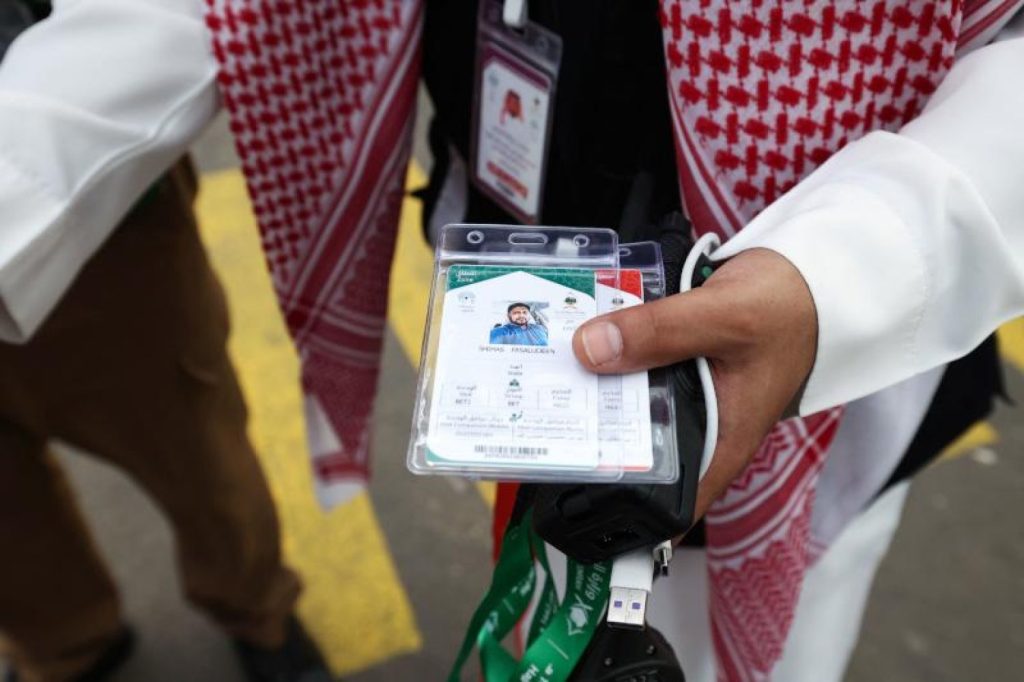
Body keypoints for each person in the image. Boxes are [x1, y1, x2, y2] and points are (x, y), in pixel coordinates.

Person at [3, 0, 1024, 680]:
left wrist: (844, 275)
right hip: (516, 308)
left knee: (767, 640)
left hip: (822, 370)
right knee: (547, 605)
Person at [0, 2, 330, 681]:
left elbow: (159, 24)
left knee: (198, 456)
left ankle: (257, 612)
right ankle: (67, 644)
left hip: (96, 226)